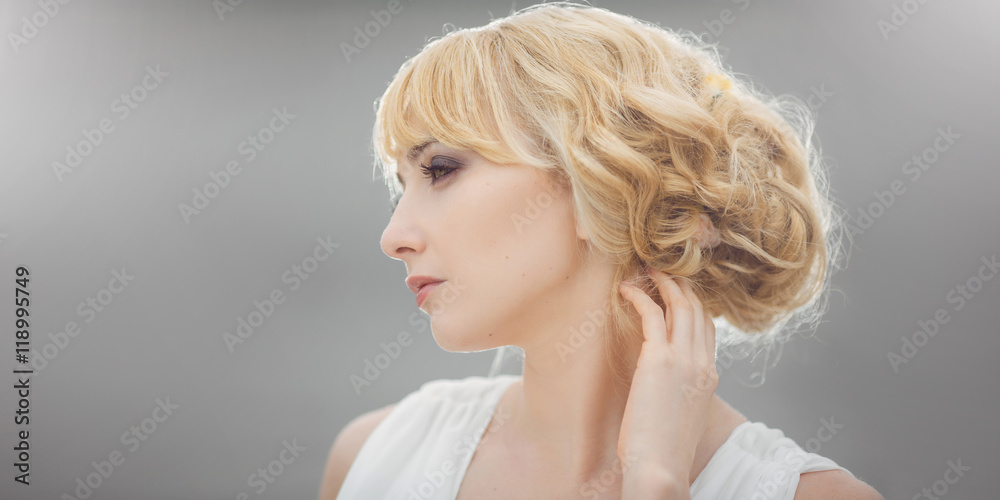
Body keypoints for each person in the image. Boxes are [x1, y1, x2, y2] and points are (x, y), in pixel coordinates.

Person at [321, 2, 883, 498]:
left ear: (602, 186)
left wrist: (656, 484)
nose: (393, 237)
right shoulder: (373, 459)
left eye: (440, 169)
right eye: (402, 186)